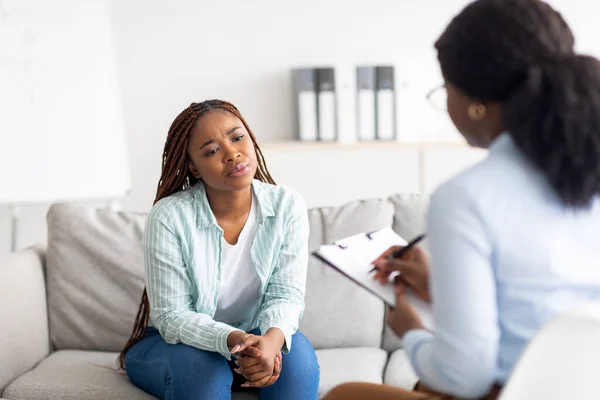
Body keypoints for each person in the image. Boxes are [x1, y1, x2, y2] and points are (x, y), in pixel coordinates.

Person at [324, 0, 600, 399]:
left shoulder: (467, 197)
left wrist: (411, 330)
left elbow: (464, 374)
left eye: (445, 89)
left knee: (344, 395)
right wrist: (441, 290)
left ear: (476, 103)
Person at [118, 100, 320, 400]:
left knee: (297, 362)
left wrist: (270, 342)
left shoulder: (287, 206)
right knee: (204, 371)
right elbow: (172, 316)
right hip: (178, 345)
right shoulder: (170, 216)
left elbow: (286, 294)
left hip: (256, 337)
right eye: (211, 151)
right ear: (193, 168)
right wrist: (234, 340)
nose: (232, 153)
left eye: (237, 137)